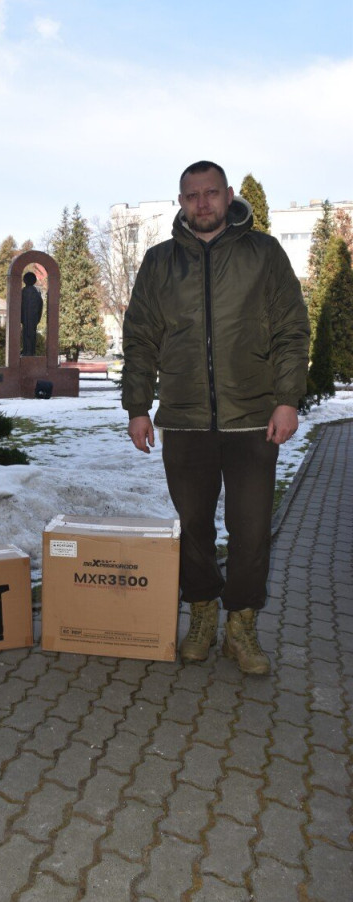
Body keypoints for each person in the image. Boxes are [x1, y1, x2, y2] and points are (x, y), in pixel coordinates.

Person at [122, 160, 310, 675]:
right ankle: (202, 616)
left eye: (210, 193)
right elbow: (139, 338)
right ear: (182, 202)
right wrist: (138, 407)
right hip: (184, 420)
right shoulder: (159, 262)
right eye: (192, 196)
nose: (202, 203)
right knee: (194, 529)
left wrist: (288, 399)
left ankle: (241, 627)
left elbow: (291, 329)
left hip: (253, 419)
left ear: (228, 196)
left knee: (251, 530)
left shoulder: (263, 253)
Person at [21, 271, 43, 356]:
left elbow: (18, 305)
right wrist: (37, 318)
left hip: (26, 318)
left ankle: (27, 351)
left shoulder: (23, 292)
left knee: (26, 334)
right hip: (33, 318)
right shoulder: (36, 293)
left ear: (25, 280)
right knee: (32, 334)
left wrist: (21, 317)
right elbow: (40, 306)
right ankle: (31, 351)